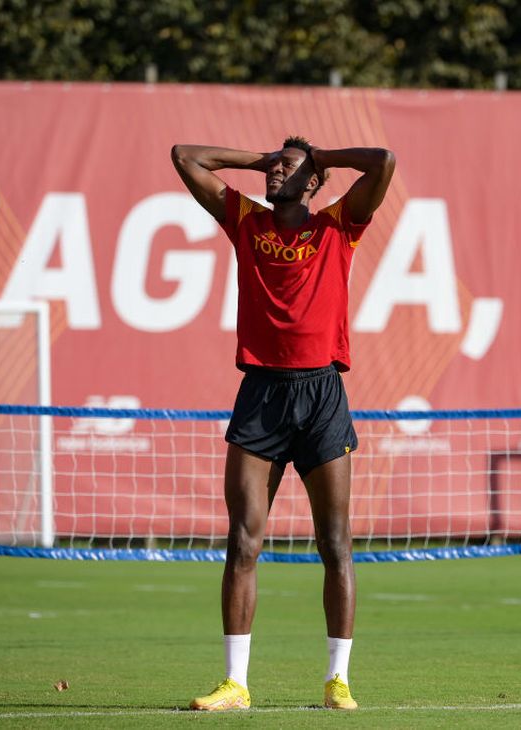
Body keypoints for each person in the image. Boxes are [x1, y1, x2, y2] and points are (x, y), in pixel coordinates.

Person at [171, 136, 395, 711]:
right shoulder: (246, 220)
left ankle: (337, 681)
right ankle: (235, 684)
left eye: (288, 168)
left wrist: (319, 157)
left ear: (314, 182)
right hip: (261, 395)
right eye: (274, 167)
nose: (276, 174)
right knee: (243, 540)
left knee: (335, 544)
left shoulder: (337, 224)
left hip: (323, 395)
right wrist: (262, 161)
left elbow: (384, 162)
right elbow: (184, 155)